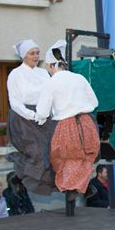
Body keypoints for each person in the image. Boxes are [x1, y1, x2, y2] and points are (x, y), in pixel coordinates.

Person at [35, 43, 100, 217]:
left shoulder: (51, 82)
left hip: (66, 125)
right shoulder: (79, 78)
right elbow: (94, 102)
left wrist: (40, 119)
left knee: (61, 158)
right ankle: (83, 187)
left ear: (51, 66)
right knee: (84, 158)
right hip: (86, 124)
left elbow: (42, 111)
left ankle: (70, 187)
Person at [5, 39, 54, 195]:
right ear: (24, 56)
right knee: (35, 151)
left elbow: (50, 95)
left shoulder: (43, 73)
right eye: (32, 53)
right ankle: (21, 173)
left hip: (43, 116)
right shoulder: (15, 74)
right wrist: (32, 115)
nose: (36, 56)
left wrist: (44, 113)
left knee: (50, 152)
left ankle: (51, 184)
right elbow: (15, 102)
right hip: (22, 118)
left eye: (37, 53)